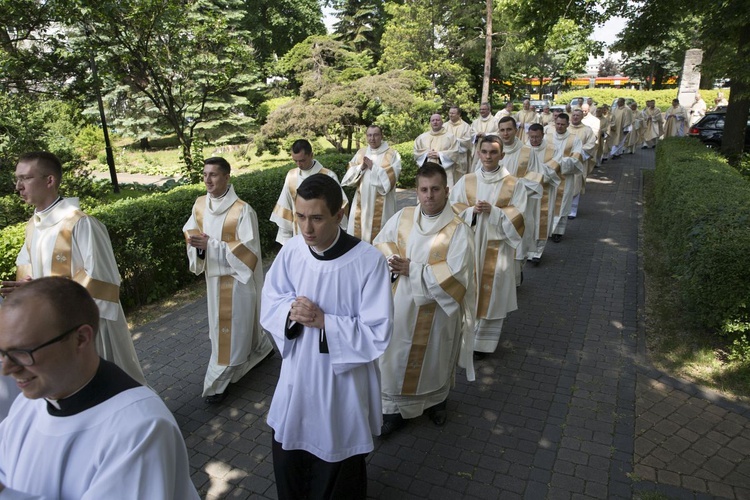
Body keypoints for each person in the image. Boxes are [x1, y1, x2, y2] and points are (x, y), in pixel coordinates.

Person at [0, 277, 199, 499]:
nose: (7, 369)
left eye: (23, 352)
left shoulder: (140, 428)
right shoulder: (27, 404)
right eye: (3, 353)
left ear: (81, 339)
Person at [261, 174, 393, 499]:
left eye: (317, 218)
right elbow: (271, 299)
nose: (307, 228)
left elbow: (377, 330)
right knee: (291, 451)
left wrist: (324, 322)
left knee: (338, 459)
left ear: (339, 214)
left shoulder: (368, 261)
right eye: (301, 216)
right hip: (298, 375)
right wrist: (291, 313)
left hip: (341, 382)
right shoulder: (293, 251)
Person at [0, 151, 146, 385]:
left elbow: (102, 281)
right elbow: (28, 272)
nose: (18, 186)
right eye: (16, 179)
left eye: (25, 178)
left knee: (108, 385)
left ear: (50, 181)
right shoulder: (33, 227)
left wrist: (43, 293)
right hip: (53, 328)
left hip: (87, 327)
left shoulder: (81, 224)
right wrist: (27, 291)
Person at [373, 163, 475, 435]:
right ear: (417, 191)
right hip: (400, 305)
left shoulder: (458, 230)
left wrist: (413, 270)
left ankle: (436, 402)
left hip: (438, 311)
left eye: (435, 189)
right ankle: (393, 411)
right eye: (424, 189)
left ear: (447, 190)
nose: (429, 195)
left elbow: (457, 277)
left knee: (435, 358)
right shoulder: (403, 217)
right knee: (394, 358)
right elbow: (382, 244)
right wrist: (392, 260)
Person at [183, 157, 274, 404]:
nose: (208, 180)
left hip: (237, 284)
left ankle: (217, 382)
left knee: (230, 334)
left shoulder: (243, 210)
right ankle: (261, 349)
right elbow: (191, 231)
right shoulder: (200, 205)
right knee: (231, 330)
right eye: (204, 174)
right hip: (214, 282)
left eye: (213, 174)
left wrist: (210, 246)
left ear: (226, 177)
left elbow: (250, 252)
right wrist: (198, 247)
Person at [449, 136, 537, 358]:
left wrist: (494, 211)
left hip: (497, 249)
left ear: (502, 155)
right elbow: (453, 207)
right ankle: (464, 334)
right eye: (484, 151)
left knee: (493, 291)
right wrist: (471, 211)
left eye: (493, 152)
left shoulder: (513, 184)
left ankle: (483, 344)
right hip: (469, 243)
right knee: (467, 286)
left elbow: (521, 214)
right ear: (478, 153)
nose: (488, 156)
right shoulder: (467, 180)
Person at [270, 139, 348, 245]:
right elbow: (286, 206)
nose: (299, 164)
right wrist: (286, 237)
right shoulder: (291, 176)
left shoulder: (328, 176)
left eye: (302, 160)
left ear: (311, 155)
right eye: (295, 161)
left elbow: (340, 205)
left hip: (324, 236)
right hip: (299, 234)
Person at [341, 125, 402, 243]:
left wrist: (373, 167)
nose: (372, 138)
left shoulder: (392, 154)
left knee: (382, 237)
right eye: (369, 135)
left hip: (383, 203)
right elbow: (349, 175)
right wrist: (361, 167)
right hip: (362, 201)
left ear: (381, 136)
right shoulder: (361, 153)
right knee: (359, 235)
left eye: (375, 135)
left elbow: (393, 177)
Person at [545, 114, 584, 242]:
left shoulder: (574, 140)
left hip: (565, 178)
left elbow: (576, 159)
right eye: (558, 124)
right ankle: (546, 229)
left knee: (562, 204)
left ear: (568, 125)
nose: (560, 126)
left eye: (563, 124)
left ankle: (558, 232)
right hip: (549, 177)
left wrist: (558, 162)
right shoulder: (547, 138)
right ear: (554, 123)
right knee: (548, 203)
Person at [525, 124, 562, 262]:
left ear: (543, 135)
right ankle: (527, 250)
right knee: (529, 221)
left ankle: (537, 253)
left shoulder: (553, 149)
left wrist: (535, 172)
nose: (534, 140)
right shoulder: (524, 149)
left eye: (537, 137)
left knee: (542, 221)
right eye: (532, 137)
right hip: (528, 192)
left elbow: (554, 169)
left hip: (545, 190)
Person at [413, 113, 461, 187]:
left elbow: (455, 153)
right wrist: (426, 155)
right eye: (433, 120)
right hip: (426, 171)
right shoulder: (421, 138)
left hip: (445, 171)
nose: (435, 122)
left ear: (442, 122)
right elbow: (416, 153)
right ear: (430, 123)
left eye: (437, 120)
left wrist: (440, 155)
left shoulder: (450, 137)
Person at [567, 109, 597, 218]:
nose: (575, 117)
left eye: (577, 116)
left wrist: (577, 154)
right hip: (564, 162)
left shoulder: (587, 130)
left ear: (581, 117)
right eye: (573, 115)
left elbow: (591, 144)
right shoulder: (565, 128)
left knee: (576, 185)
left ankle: (572, 211)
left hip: (578, 163)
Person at [445, 106, 473, 180]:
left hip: (460, 157)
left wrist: (455, 140)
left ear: (459, 114)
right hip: (448, 158)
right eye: (450, 113)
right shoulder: (444, 126)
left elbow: (467, 141)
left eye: (453, 113)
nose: (451, 115)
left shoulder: (465, 126)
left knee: (460, 179)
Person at [470, 102, 500, 171]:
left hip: (490, 149)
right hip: (478, 149)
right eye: (480, 109)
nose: (481, 111)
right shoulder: (475, 122)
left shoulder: (495, 121)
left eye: (484, 109)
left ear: (489, 110)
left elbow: (498, 134)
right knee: (476, 168)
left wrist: (486, 135)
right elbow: (471, 134)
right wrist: (476, 136)